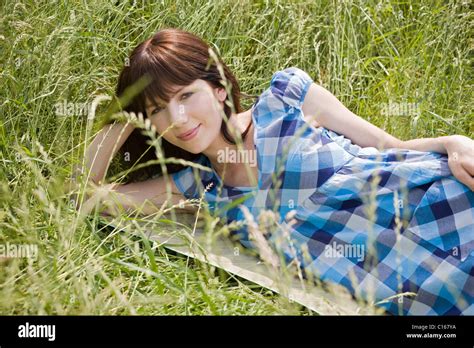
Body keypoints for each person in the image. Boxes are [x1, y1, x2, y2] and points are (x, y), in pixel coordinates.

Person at [83, 27, 474, 315]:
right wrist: (122, 117)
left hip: (445, 207)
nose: (178, 118)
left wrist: (453, 141)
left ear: (218, 88)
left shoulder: (285, 100)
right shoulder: (197, 186)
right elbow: (84, 195)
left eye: (186, 95)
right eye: (157, 110)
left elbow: (388, 147)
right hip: (415, 286)